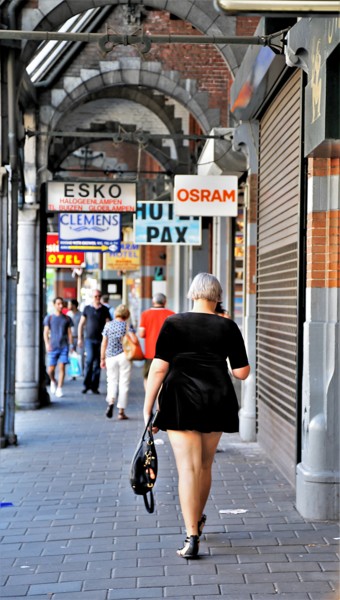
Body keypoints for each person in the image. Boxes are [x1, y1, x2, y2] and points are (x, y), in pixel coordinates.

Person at [143, 273, 250, 559]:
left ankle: (191, 536)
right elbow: (241, 372)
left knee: (187, 469)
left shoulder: (173, 323)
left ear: (192, 294)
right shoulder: (228, 326)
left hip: (180, 399)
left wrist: (148, 408)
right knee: (204, 465)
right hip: (217, 398)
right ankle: (199, 520)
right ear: (217, 298)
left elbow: (158, 369)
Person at [100, 304, 137, 421]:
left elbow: (104, 343)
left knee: (111, 381)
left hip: (110, 357)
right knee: (124, 383)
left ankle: (111, 401)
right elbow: (135, 340)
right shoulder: (126, 326)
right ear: (126, 315)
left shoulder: (108, 325)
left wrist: (102, 358)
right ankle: (121, 411)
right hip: (124, 356)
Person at [138, 293, 175, 390]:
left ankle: (149, 398)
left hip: (150, 352)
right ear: (165, 302)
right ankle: (159, 402)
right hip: (167, 353)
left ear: (153, 302)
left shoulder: (145, 314)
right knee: (164, 378)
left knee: (147, 376)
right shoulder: (171, 314)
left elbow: (141, 334)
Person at [78, 290, 111, 394]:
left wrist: (109, 339)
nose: (97, 298)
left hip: (101, 340)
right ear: (92, 297)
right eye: (95, 296)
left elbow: (109, 324)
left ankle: (94, 386)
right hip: (89, 340)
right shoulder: (87, 308)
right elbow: (81, 324)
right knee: (89, 360)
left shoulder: (105, 309)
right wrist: (80, 338)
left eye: (99, 296)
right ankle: (86, 385)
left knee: (98, 364)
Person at [43, 296, 74, 398]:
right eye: (58, 304)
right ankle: (53, 380)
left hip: (64, 346)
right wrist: (47, 344)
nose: (60, 306)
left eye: (62, 304)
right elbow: (46, 332)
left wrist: (71, 345)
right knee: (50, 370)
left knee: (62, 367)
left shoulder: (67, 318)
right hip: (53, 346)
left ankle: (60, 388)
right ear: (54, 305)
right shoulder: (50, 318)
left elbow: (69, 333)